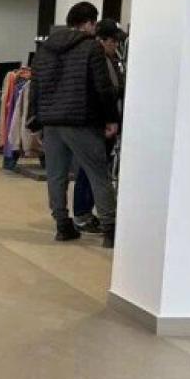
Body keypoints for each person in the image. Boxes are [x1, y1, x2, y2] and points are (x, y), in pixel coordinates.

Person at [32, 2, 120, 247]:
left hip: (51, 122)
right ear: (90, 23)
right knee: (97, 174)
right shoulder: (92, 47)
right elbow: (102, 87)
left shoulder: (45, 49)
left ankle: (62, 225)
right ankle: (110, 229)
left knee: (56, 176)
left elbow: (35, 87)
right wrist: (111, 118)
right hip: (82, 120)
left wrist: (34, 121)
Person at [71, 18, 129, 231]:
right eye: (114, 41)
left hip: (100, 123)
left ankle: (85, 213)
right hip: (97, 124)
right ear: (103, 40)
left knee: (92, 170)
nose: (117, 46)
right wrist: (110, 119)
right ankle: (83, 214)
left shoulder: (109, 61)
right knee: (91, 171)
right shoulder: (98, 61)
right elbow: (103, 93)